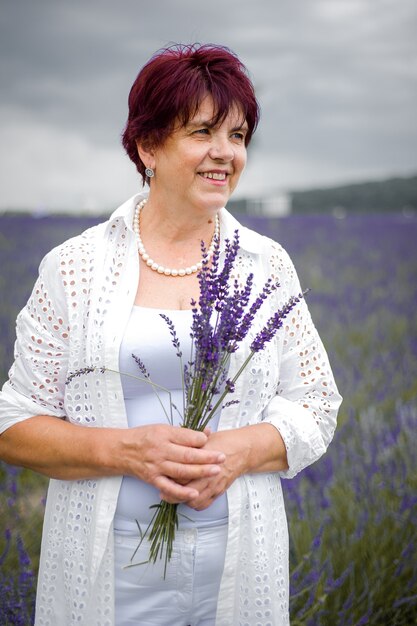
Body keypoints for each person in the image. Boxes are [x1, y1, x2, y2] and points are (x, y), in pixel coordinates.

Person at [0, 44, 342, 626]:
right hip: (105, 581)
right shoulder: (74, 267)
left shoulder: (267, 265)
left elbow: (318, 404)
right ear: (147, 145)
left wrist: (237, 452)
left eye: (237, 135)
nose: (224, 153)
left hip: (236, 578)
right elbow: (13, 425)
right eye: (202, 131)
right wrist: (126, 451)